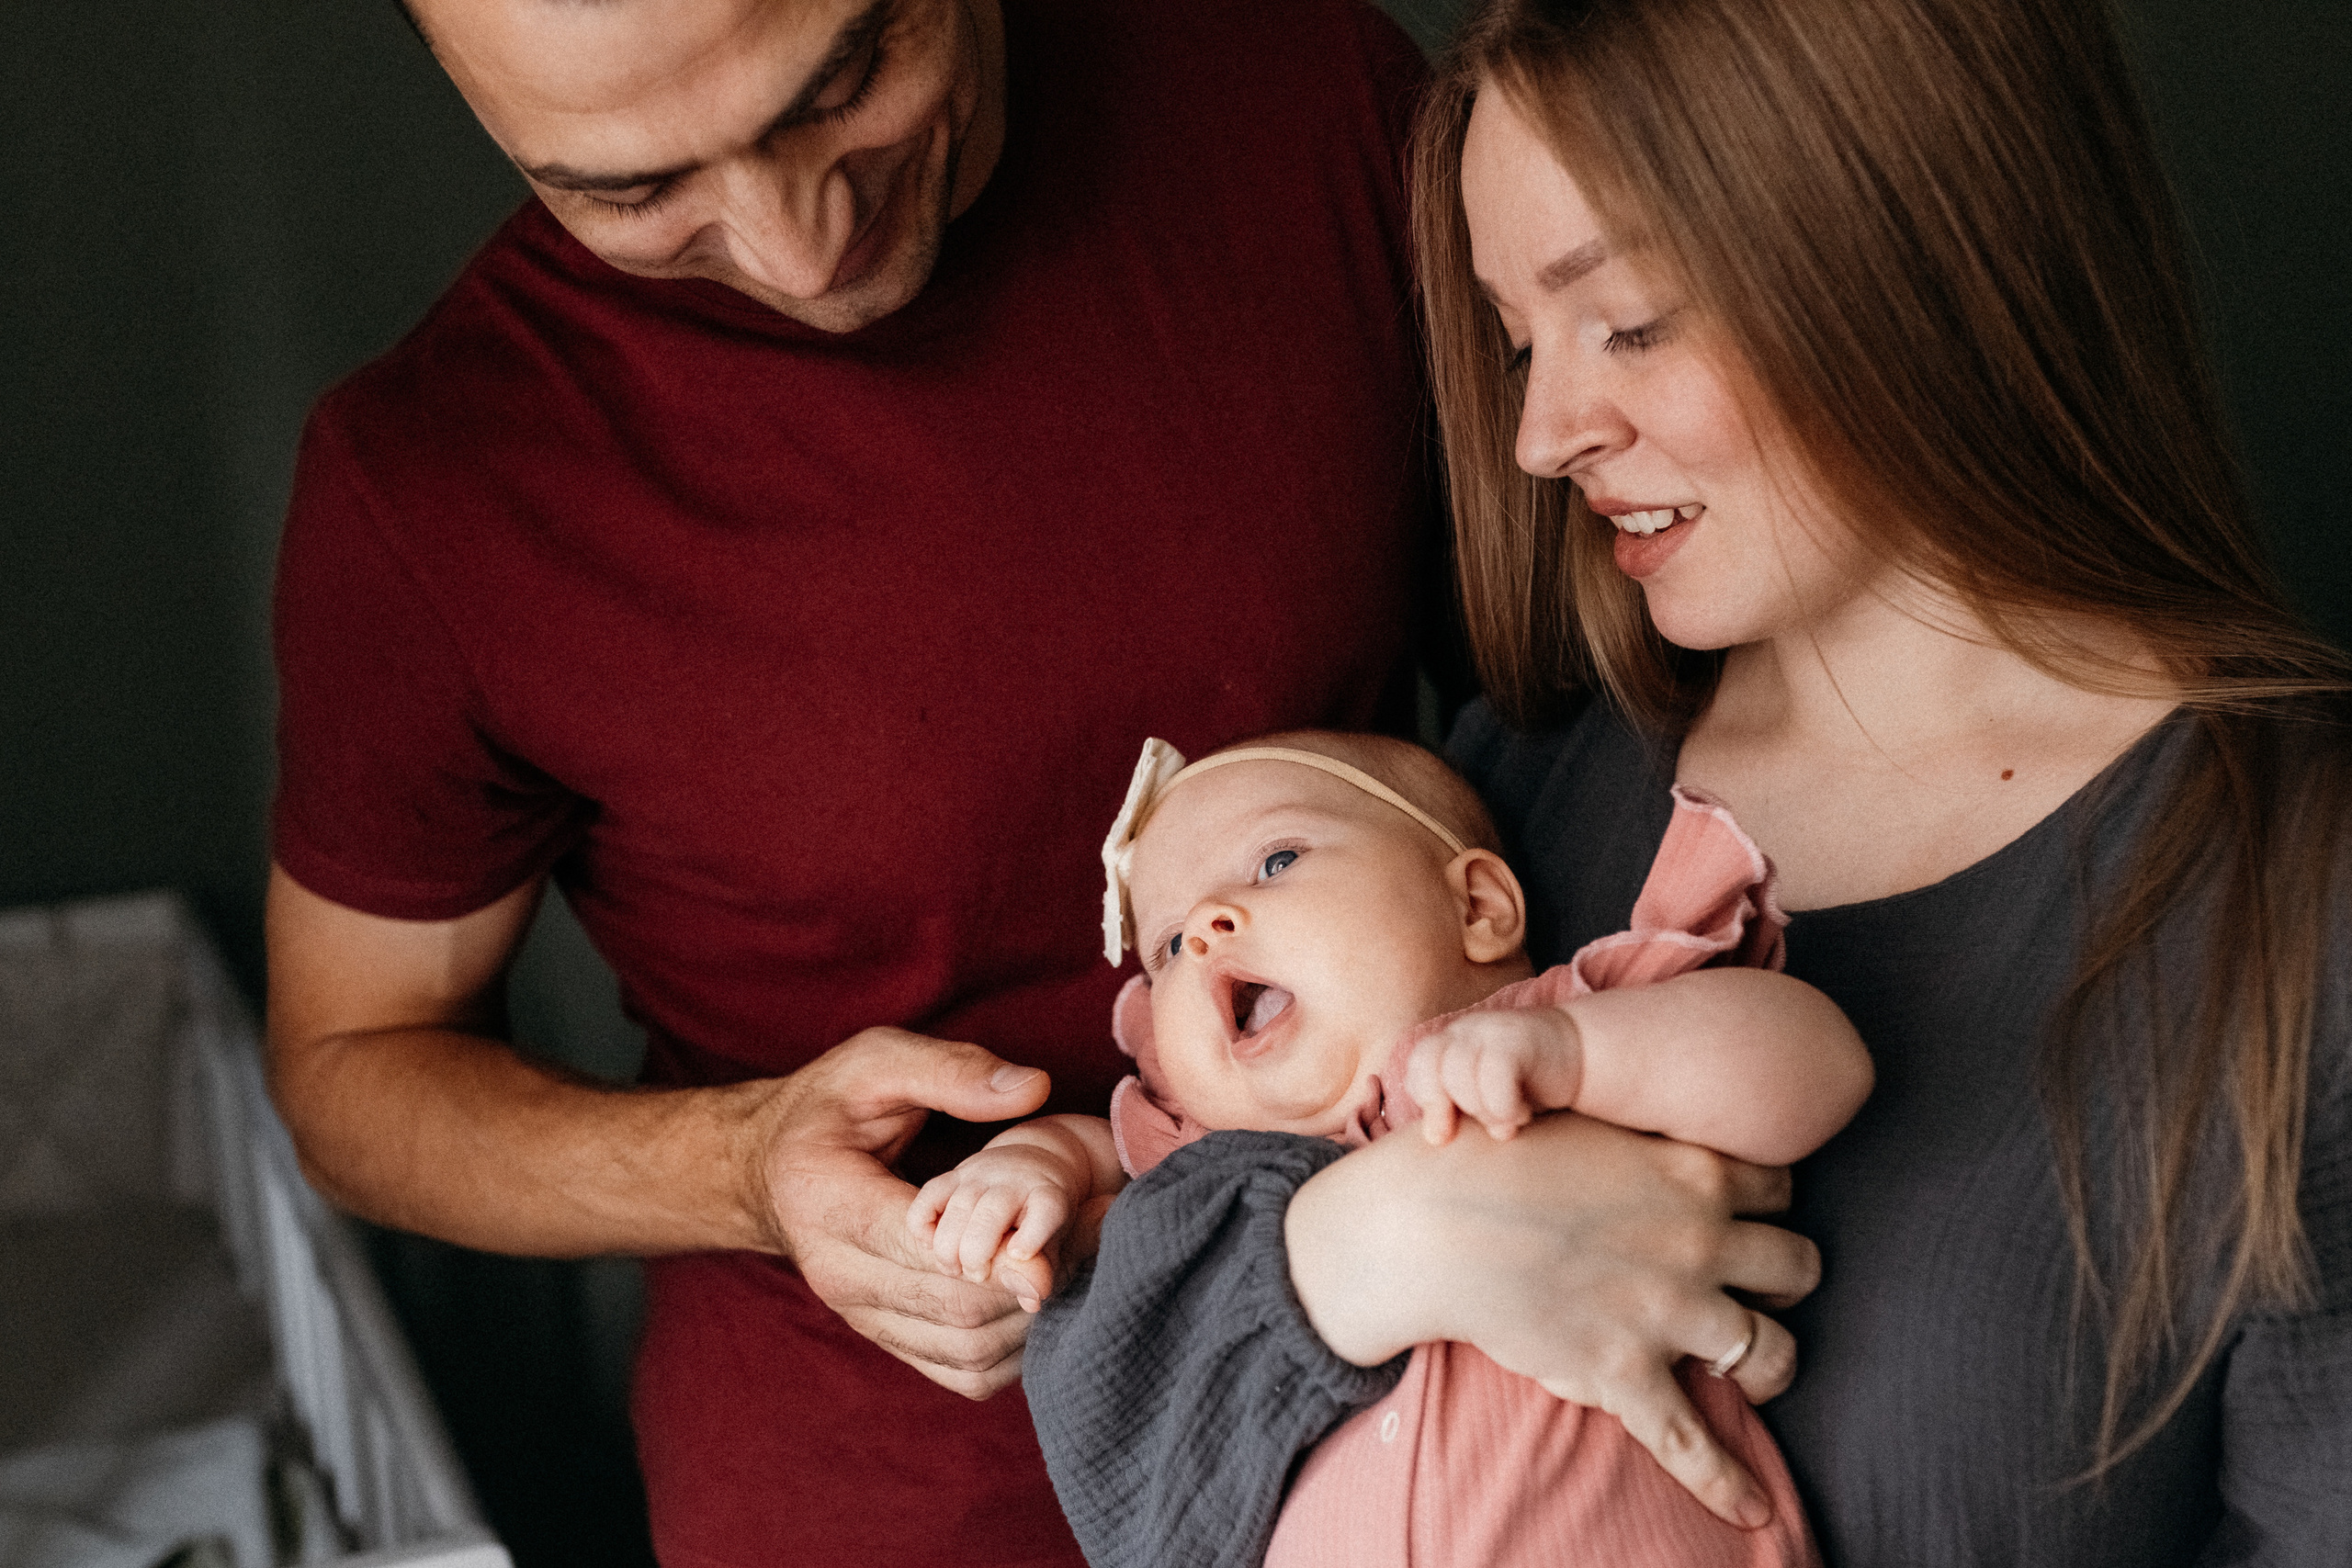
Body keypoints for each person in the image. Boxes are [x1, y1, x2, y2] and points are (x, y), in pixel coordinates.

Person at [1019, 1, 2352, 1564]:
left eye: (1629, 319)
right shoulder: (1513, 787)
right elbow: (1136, 1452)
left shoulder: (2298, 904)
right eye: (1521, 343)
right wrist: (1361, 1249)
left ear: (1919, 245)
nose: (1541, 435)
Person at [259, 0, 1445, 1562]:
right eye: (631, 190)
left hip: (1455, 1361)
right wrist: (746, 1165)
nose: (800, 246)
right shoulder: (431, 486)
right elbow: (352, 1066)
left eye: (843, 80)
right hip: (904, 1476)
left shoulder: (1299, 88)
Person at [913, 730, 1869, 1566]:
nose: (1206, 930)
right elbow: (1107, 1196)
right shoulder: (1210, 1171)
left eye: (1275, 861)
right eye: (1165, 948)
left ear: (1478, 908)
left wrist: (1583, 1055)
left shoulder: (1562, 1030)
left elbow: (1821, 1069)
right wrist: (1037, 1162)